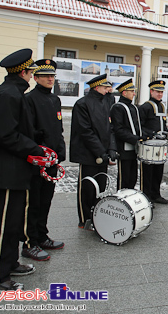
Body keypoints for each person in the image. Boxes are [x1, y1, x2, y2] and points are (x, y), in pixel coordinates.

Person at [0, 48, 45, 291]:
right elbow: (5, 134)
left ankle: (10, 262)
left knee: (13, 222)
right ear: (23, 72)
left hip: (12, 171)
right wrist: (34, 148)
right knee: (2, 226)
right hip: (2, 172)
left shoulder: (13, 92)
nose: (32, 75)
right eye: (31, 71)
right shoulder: (9, 94)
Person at [22, 59, 66, 262]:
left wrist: (60, 150)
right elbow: (28, 131)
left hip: (52, 161)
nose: (50, 79)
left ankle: (42, 236)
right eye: (46, 76)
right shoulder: (29, 99)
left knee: (46, 200)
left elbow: (59, 128)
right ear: (36, 77)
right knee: (34, 202)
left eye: (53, 76)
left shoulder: (55, 100)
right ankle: (30, 243)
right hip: (36, 160)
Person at [71, 74, 117, 229]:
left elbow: (110, 128)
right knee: (87, 188)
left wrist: (111, 149)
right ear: (97, 88)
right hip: (88, 153)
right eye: (105, 88)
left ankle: (96, 215)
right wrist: (100, 152)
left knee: (100, 187)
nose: (108, 90)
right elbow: (85, 131)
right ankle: (84, 219)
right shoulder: (82, 104)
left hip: (102, 153)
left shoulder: (105, 102)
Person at [139, 80, 168, 204]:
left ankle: (156, 194)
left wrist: (167, 132)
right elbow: (140, 126)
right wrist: (150, 134)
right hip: (149, 145)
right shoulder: (145, 107)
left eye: (161, 92)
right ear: (151, 91)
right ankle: (146, 196)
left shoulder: (162, 106)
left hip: (160, 145)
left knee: (158, 171)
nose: (160, 94)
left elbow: (163, 123)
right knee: (148, 173)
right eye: (158, 92)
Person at [110, 79, 142, 190]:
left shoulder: (133, 107)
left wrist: (144, 136)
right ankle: (121, 199)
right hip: (123, 148)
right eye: (132, 91)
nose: (134, 93)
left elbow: (137, 127)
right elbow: (118, 130)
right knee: (124, 178)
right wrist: (135, 139)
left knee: (133, 177)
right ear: (124, 93)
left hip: (134, 148)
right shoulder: (118, 107)